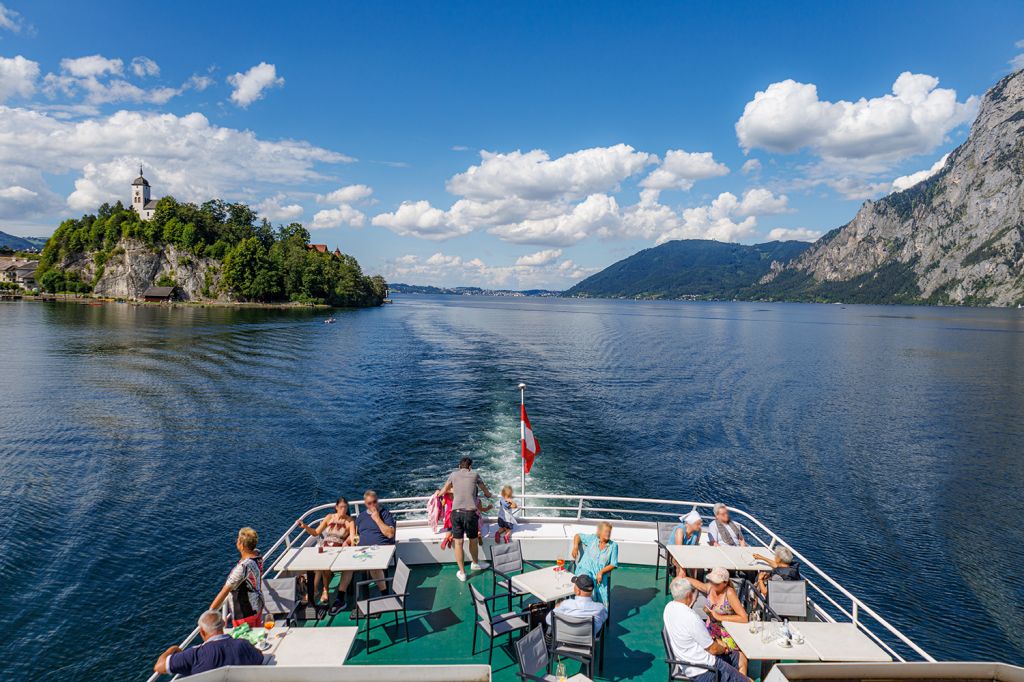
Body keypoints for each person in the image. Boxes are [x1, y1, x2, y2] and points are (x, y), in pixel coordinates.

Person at [664, 579, 750, 682]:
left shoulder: (668, 608)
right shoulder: (691, 618)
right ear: (688, 595)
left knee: (740, 657)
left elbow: (695, 637)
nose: (696, 598)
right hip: (706, 670)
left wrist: (716, 641)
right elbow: (713, 650)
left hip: (687, 663)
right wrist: (723, 648)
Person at [329, 490, 396, 615]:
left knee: (373, 567)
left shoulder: (385, 514)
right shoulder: (361, 517)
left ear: (378, 501)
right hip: (362, 550)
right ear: (366, 504)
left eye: (374, 502)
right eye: (369, 503)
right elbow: (356, 534)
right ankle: (340, 599)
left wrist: (377, 519)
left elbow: (390, 534)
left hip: (380, 550)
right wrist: (347, 541)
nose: (373, 505)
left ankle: (385, 595)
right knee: (347, 566)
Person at [153, 610, 264, 677]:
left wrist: (173, 649)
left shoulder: (193, 655)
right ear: (223, 625)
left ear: (202, 632)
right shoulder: (242, 645)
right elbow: (259, 658)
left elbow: (158, 667)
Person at [439, 457, 493, 582]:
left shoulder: (453, 475)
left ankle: (462, 573)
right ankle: (475, 563)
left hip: (456, 513)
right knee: (473, 540)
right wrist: (488, 495)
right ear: (470, 467)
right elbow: (486, 491)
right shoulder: (475, 475)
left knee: (458, 543)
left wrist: (438, 494)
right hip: (470, 514)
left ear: (459, 467)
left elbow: (444, 489)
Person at [686, 567, 749, 675]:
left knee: (740, 659)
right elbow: (696, 583)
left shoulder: (729, 593)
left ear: (724, 583)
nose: (713, 584)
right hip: (710, 630)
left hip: (726, 632)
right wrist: (682, 577)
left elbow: (744, 618)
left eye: (716, 583)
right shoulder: (710, 587)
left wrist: (719, 617)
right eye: (711, 581)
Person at [296, 496, 356, 604]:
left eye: (345, 507)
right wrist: (305, 526)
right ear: (336, 507)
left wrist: (350, 543)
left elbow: (353, 538)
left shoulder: (350, 521)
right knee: (317, 566)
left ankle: (322, 591)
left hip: (338, 550)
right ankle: (317, 591)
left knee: (323, 566)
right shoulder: (329, 517)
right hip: (325, 548)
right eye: (341, 507)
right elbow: (315, 533)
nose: (344, 510)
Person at [209, 527, 264, 628]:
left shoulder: (242, 568)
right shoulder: (258, 555)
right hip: (257, 607)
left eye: (238, 539)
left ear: (242, 545)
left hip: (245, 614)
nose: (236, 541)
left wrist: (210, 613)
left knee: (246, 641)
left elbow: (224, 591)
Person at [571, 521, 618, 605]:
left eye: (609, 532)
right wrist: (575, 547)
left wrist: (601, 572)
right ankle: (584, 611)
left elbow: (613, 564)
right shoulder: (592, 539)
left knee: (602, 600)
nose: (608, 533)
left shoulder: (613, 546)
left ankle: (595, 614)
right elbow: (577, 536)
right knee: (586, 585)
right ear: (600, 532)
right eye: (606, 531)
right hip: (585, 570)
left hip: (599, 574)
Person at [673, 509, 704, 578]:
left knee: (696, 562)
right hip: (674, 553)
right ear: (691, 523)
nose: (700, 525)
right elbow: (678, 550)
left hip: (687, 552)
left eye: (701, 523)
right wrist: (682, 569)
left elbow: (694, 546)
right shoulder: (680, 530)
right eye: (698, 523)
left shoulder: (698, 531)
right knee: (679, 565)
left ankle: (693, 581)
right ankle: (679, 582)